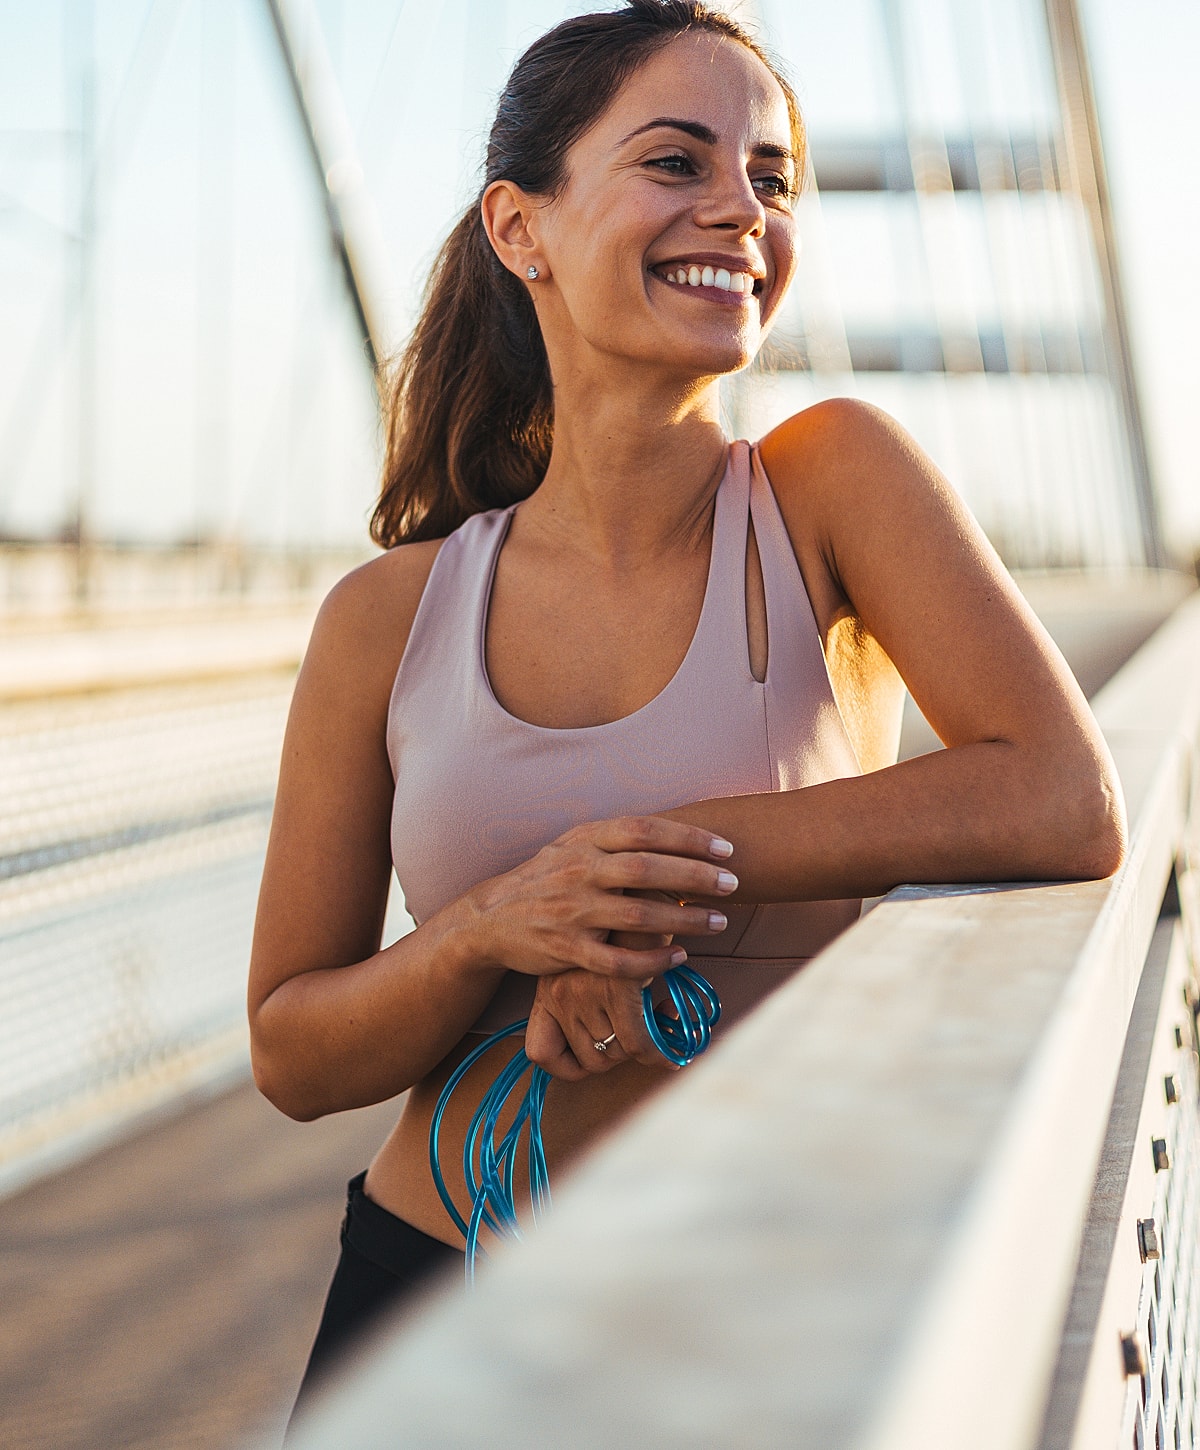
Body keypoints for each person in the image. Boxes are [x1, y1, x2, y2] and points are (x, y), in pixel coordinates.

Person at [248, 0, 1126, 1418]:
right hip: (434, 1274)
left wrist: (632, 872)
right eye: (677, 161)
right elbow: (291, 1046)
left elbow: (1063, 797)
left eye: (772, 178)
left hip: (747, 1293)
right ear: (521, 227)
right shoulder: (386, 617)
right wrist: (492, 927)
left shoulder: (831, 483)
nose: (741, 207)